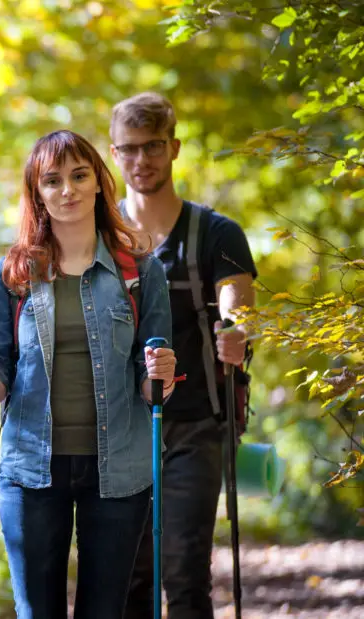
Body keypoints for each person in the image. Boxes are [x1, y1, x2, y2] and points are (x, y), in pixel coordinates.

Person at [0, 129, 177, 619]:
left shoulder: (142, 272)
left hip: (119, 468)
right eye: (52, 180)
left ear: (100, 182)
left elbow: (152, 389)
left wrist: (159, 372)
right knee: (36, 612)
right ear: (36, 192)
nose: (68, 190)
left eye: (79, 176)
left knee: (105, 610)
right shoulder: (11, 275)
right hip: (31, 471)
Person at [113, 93, 257, 619]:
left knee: (184, 570)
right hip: (121, 428)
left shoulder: (216, 233)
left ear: (173, 147)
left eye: (153, 146)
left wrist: (236, 332)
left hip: (197, 423)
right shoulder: (104, 237)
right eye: (129, 149)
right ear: (114, 154)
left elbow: (237, 307)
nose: (141, 161)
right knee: (127, 577)